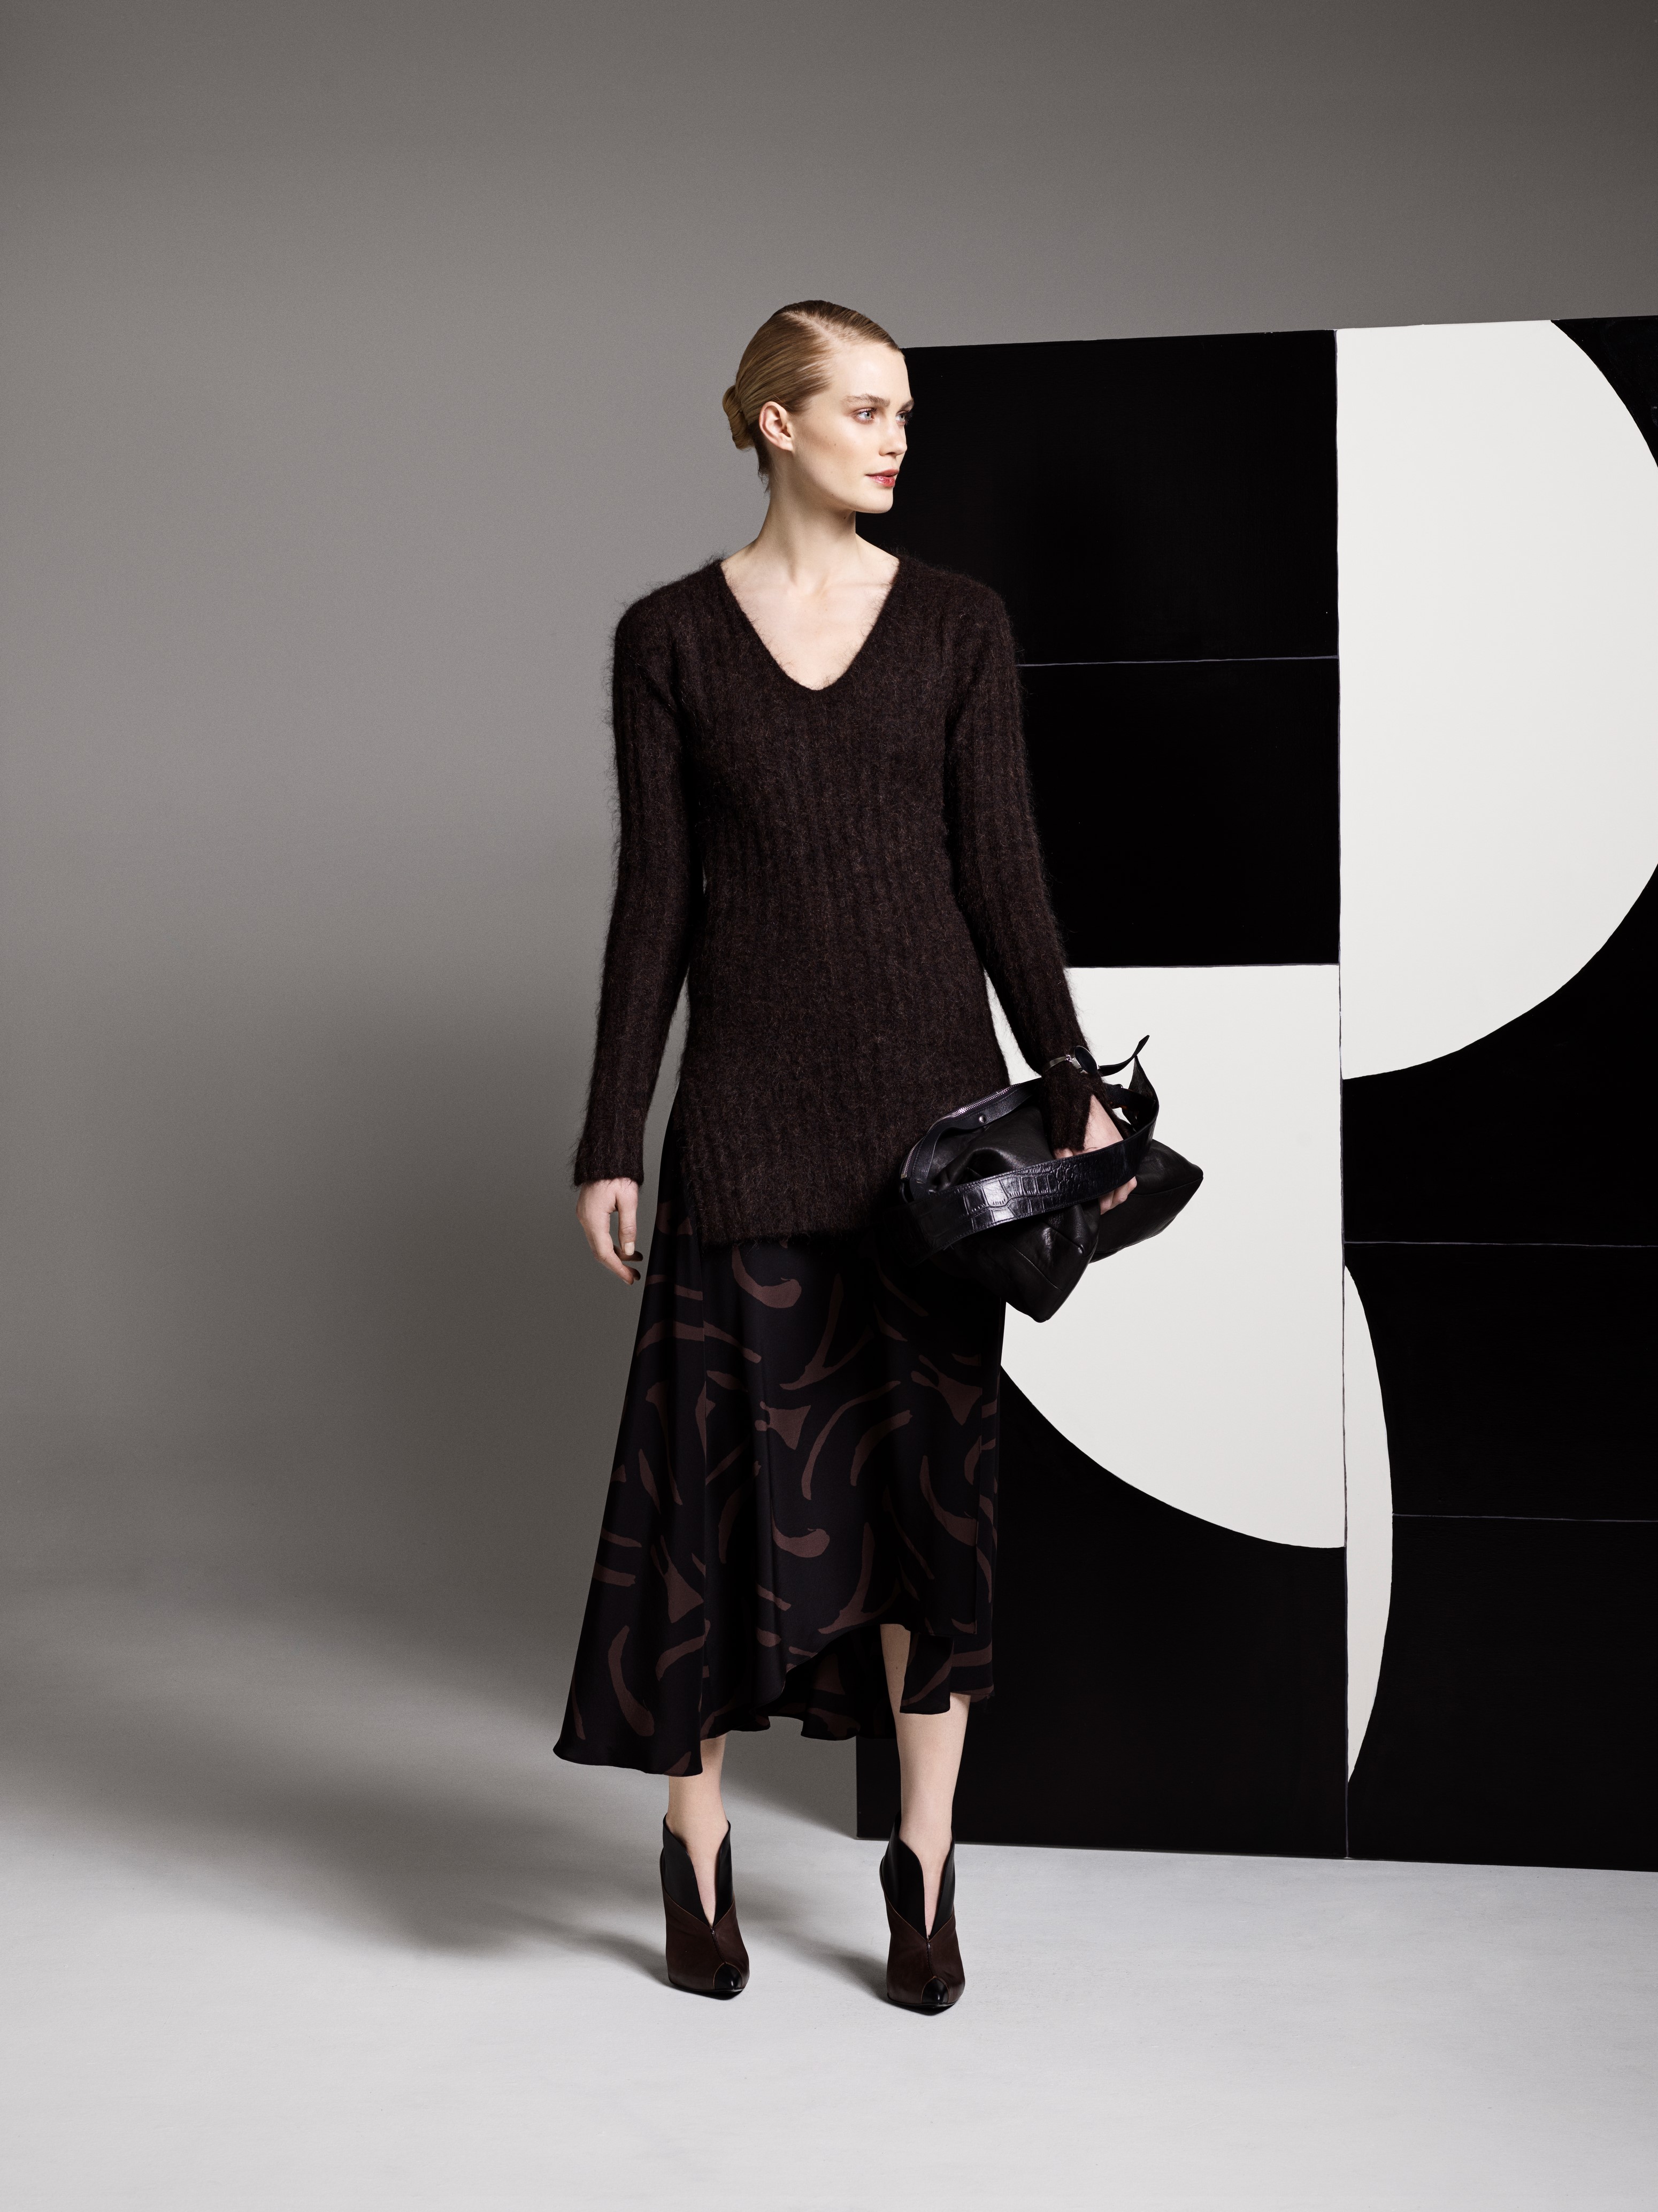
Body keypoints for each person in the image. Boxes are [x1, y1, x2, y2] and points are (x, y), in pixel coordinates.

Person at [556, 299, 1132, 2010]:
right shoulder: (667, 638)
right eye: (865, 410)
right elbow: (654, 902)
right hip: (741, 1127)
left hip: (927, 1153)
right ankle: (694, 1845)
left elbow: (1000, 870)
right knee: (706, 1508)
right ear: (775, 423)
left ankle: (925, 1866)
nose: (895, 439)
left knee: (926, 1509)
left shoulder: (957, 624)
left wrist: (1068, 1076)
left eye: (903, 413)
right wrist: (609, 1131)